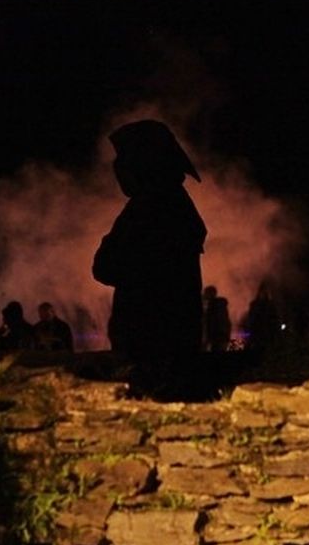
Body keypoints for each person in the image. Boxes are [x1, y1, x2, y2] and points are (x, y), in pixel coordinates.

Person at [92, 119, 207, 399]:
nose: (118, 170)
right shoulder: (174, 203)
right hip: (169, 342)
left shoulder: (149, 207)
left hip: (150, 343)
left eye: (123, 160)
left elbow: (107, 266)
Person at [202, 285, 232, 353]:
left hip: (218, 338)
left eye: (206, 293)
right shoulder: (215, 305)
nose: (204, 294)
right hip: (218, 338)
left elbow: (220, 322)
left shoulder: (216, 306)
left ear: (211, 294)